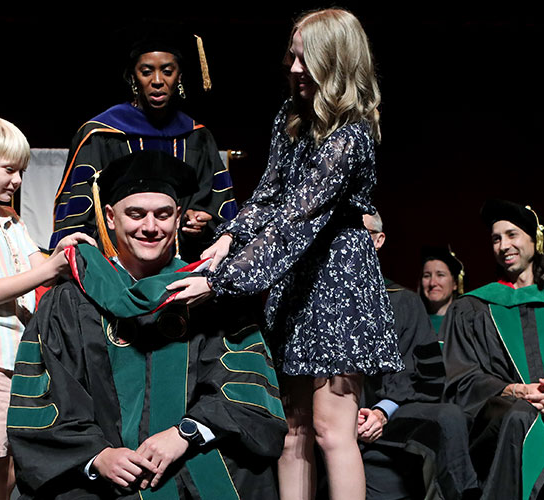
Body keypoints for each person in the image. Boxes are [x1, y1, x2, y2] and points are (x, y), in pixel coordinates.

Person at [169, 9, 402, 500]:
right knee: (291, 427)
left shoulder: (350, 136)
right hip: (295, 280)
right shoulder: (290, 116)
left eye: (306, 57)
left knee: (331, 429)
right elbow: (271, 195)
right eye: (292, 55)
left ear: (335, 62)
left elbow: (299, 218)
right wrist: (230, 237)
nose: (294, 67)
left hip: (337, 282)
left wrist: (221, 280)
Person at [8, 150, 286, 499]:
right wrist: (97, 457)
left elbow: (246, 388)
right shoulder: (71, 300)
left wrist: (185, 433)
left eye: (163, 214)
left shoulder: (209, 294)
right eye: (136, 214)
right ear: (110, 218)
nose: (150, 227)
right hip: (104, 471)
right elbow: (47, 399)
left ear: (179, 216)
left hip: (192, 457)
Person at [0, 116, 95, 500]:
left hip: (20, 360)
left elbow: (36, 269)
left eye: (21, 171)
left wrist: (62, 252)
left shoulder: (10, 218)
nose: (17, 181)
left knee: (8, 471)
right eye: (9, 170)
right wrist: (51, 266)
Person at [50, 27, 237, 263]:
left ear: (179, 77)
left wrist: (201, 220)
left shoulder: (196, 137)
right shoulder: (101, 134)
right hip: (113, 267)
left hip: (182, 267)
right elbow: (79, 213)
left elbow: (216, 203)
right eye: (147, 71)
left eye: (167, 71)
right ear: (132, 77)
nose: (157, 81)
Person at [443, 199, 544, 499]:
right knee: (521, 415)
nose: (503, 245)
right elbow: (462, 378)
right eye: (496, 238)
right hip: (501, 416)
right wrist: (517, 391)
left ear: (536, 241)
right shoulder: (473, 309)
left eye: (512, 235)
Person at [360, 213, 478, 500]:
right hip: (334, 420)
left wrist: (380, 412)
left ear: (379, 240)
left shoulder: (404, 302)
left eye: (360, 232)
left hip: (392, 415)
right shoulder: (321, 299)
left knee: (449, 416)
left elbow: (422, 376)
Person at [419, 246, 464, 336]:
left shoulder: (465, 323)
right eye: (427, 276)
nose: (432, 283)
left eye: (440, 275)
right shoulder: (413, 322)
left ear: (455, 283)